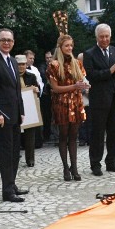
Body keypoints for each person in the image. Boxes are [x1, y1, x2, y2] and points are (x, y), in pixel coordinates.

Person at [0, 28, 27, 202]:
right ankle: (7, 191)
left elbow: (17, 89)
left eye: (9, 40)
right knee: (6, 153)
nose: (6, 43)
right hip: (1, 115)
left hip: (15, 113)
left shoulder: (13, 61)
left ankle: (12, 184)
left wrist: (21, 110)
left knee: (15, 151)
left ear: (13, 42)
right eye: (3, 40)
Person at [83, 23, 115, 176]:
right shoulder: (89, 54)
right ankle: (95, 164)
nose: (104, 39)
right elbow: (92, 76)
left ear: (110, 36)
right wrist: (110, 70)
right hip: (99, 99)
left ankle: (111, 162)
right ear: (97, 37)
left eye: (107, 36)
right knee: (97, 134)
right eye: (102, 36)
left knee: (114, 133)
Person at [47, 34, 89, 181]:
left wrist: (84, 86)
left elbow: (81, 81)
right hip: (61, 103)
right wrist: (74, 86)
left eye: (71, 45)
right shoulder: (54, 65)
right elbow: (56, 88)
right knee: (63, 136)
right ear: (60, 47)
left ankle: (75, 167)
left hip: (76, 102)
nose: (70, 48)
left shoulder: (77, 63)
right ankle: (65, 167)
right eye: (66, 45)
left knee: (74, 137)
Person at [16, 54, 40, 167]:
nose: (21, 67)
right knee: (15, 135)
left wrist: (36, 89)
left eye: (23, 64)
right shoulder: (12, 76)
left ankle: (30, 159)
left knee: (30, 135)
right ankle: (14, 158)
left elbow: (38, 88)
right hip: (16, 108)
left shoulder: (31, 76)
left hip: (30, 108)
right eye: (19, 64)